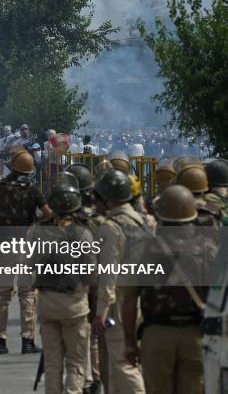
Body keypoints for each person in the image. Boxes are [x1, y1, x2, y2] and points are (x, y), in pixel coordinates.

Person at [123, 185, 206, 394]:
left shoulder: (142, 249)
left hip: (156, 335)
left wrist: (130, 343)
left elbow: (130, 301)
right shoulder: (208, 249)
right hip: (196, 335)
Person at [30, 172, 95, 394]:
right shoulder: (83, 233)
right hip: (74, 304)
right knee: (76, 363)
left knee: (52, 364)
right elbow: (90, 273)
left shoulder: (38, 231)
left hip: (47, 303)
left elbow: (31, 266)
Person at [92, 169, 151, 394]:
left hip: (119, 302)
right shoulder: (147, 221)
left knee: (122, 364)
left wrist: (101, 312)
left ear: (107, 198)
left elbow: (109, 273)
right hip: (144, 299)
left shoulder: (110, 227)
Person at [0, 150, 52, 355]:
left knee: (2, 293)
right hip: (25, 243)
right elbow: (47, 213)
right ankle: (28, 340)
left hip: (4, 243)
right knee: (27, 293)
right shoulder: (32, 190)